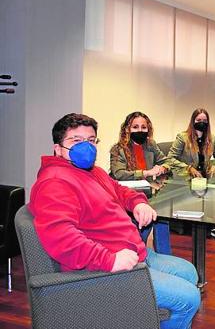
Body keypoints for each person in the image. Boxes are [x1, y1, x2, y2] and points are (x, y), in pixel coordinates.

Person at [29, 113, 200, 329]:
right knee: (188, 298)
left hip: (132, 252)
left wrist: (138, 203)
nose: (86, 146)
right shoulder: (55, 182)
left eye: (91, 140)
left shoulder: (93, 172)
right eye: (76, 141)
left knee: (189, 273)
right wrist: (109, 260)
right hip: (104, 269)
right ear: (58, 149)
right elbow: (62, 239)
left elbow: (120, 190)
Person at [110, 111, 172, 254]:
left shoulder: (150, 145)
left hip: (150, 192)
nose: (140, 131)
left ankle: (165, 255)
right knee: (143, 225)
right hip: (129, 196)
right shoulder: (118, 149)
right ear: (127, 129)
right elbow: (118, 174)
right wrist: (146, 173)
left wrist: (162, 168)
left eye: (143, 127)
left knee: (163, 218)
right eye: (135, 127)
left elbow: (167, 161)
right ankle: (139, 255)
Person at [167, 108, 215, 179]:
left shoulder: (211, 138)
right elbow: (170, 158)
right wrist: (189, 168)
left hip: (205, 174)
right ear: (193, 121)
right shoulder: (182, 137)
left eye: (205, 121)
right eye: (198, 120)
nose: (202, 123)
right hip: (187, 175)